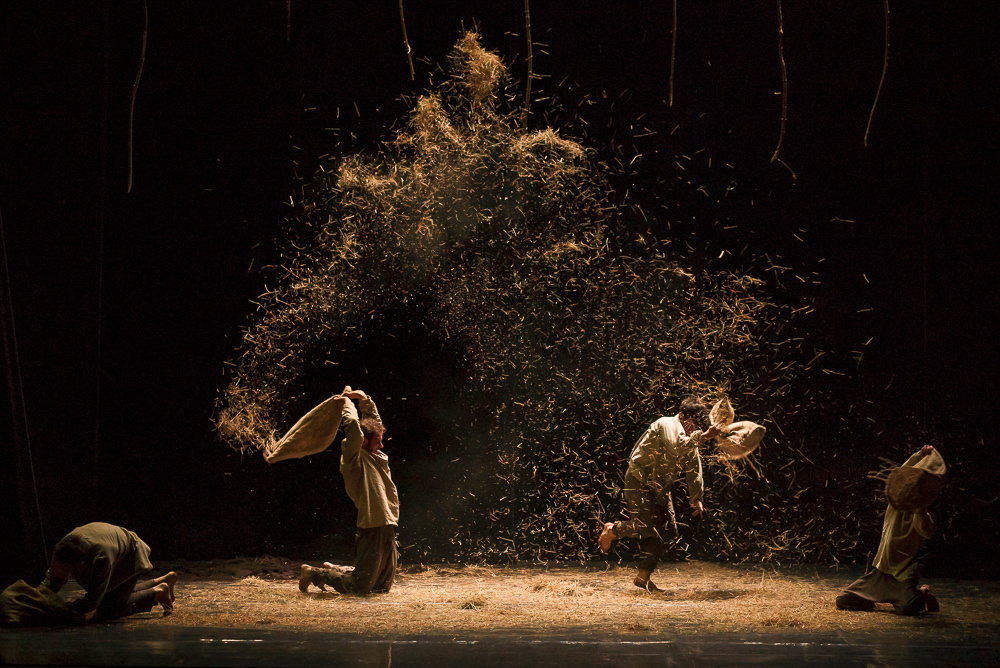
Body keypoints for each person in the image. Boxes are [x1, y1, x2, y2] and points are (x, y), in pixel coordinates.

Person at [599, 397, 724, 591]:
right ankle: (613, 530)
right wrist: (705, 436)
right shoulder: (667, 424)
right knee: (645, 525)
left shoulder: (692, 438)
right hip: (639, 479)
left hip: (660, 486)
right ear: (682, 415)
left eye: (698, 425)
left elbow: (693, 468)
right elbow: (676, 446)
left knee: (666, 531)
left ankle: (643, 577)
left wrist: (696, 498)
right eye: (691, 423)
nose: (694, 428)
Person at [299, 388, 399, 595]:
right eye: (377, 440)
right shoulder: (354, 459)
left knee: (382, 586)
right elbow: (354, 427)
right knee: (360, 587)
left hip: (387, 522)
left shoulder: (375, 455)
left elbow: (372, 424)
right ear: (363, 440)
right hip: (372, 524)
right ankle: (314, 573)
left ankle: (335, 570)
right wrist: (347, 404)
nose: (381, 444)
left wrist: (365, 400)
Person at [836, 445, 946, 615]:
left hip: (902, 577)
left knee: (910, 608)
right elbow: (902, 473)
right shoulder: (894, 506)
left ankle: (922, 593)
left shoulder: (922, 514)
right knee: (844, 600)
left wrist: (920, 508)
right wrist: (919, 455)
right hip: (880, 573)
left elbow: (927, 531)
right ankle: (874, 598)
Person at [39, 522, 176, 621]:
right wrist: (40, 596)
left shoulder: (101, 558)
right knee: (112, 595)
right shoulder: (65, 546)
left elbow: (93, 600)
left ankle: (158, 592)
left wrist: (66, 609)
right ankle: (162, 580)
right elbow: (53, 579)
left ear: (79, 564)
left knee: (108, 610)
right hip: (115, 546)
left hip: (130, 556)